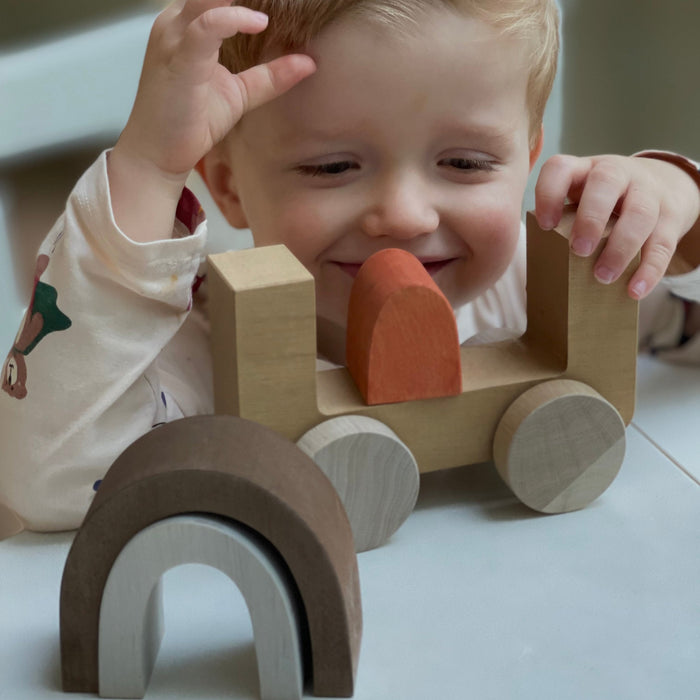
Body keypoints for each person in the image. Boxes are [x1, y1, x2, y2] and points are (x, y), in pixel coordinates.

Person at [1, 0, 699, 536]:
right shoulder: (200, 352)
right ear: (229, 185)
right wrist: (150, 171)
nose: (403, 215)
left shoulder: (538, 286)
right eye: (332, 167)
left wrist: (684, 214)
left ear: (528, 156)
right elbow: (46, 479)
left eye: (464, 163)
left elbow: (687, 327)